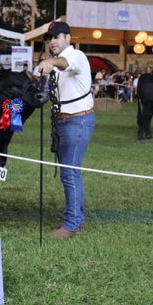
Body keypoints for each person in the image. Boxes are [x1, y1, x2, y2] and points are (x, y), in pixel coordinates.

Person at [37, 21, 95, 239]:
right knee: (71, 172)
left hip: (77, 121)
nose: (52, 41)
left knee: (69, 174)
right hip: (65, 121)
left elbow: (62, 62)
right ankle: (76, 220)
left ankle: (71, 224)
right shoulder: (59, 64)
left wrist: (50, 60)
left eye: (57, 37)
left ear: (68, 38)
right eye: (50, 38)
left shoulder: (76, 56)